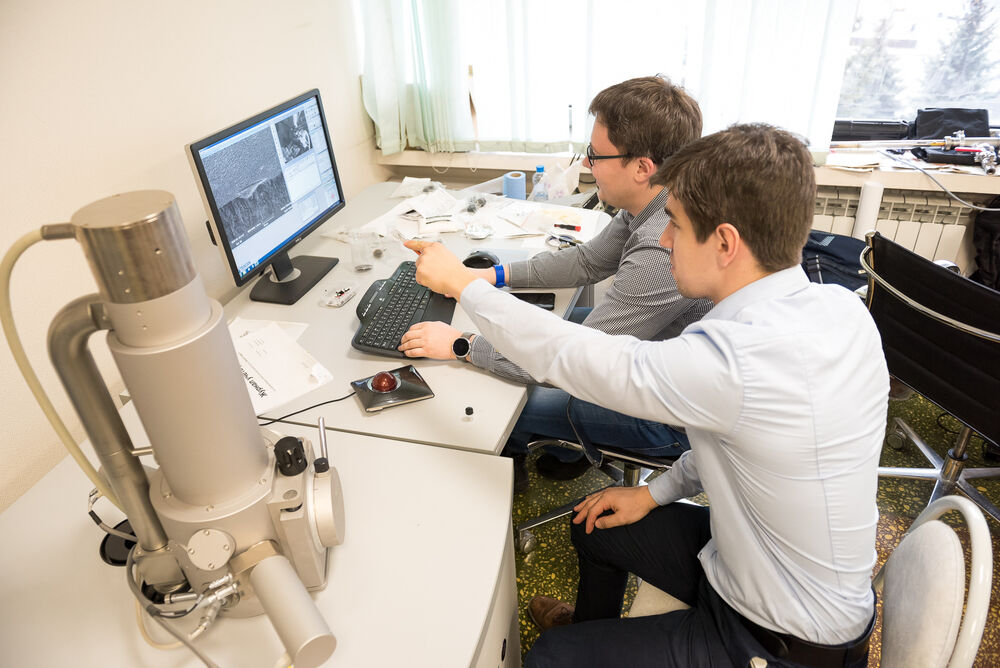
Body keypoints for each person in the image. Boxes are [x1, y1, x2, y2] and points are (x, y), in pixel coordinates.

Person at [404, 124, 889, 668]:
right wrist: (653, 495)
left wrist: (463, 285)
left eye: (675, 225)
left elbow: (575, 357)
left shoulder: (738, 359)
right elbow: (737, 446)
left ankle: (583, 650)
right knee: (594, 524)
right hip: (748, 562)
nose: (664, 240)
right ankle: (595, 634)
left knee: (551, 658)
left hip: (776, 642)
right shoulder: (838, 309)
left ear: (725, 243)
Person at [398, 76, 711, 486]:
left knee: (503, 400)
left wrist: (463, 345)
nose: (587, 165)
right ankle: (568, 444)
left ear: (641, 167)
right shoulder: (653, 200)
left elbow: (576, 359)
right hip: (653, 354)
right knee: (543, 325)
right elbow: (588, 262)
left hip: (672, 419)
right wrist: (491, 275)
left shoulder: (661, 244)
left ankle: (514, 466)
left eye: (595, 155)